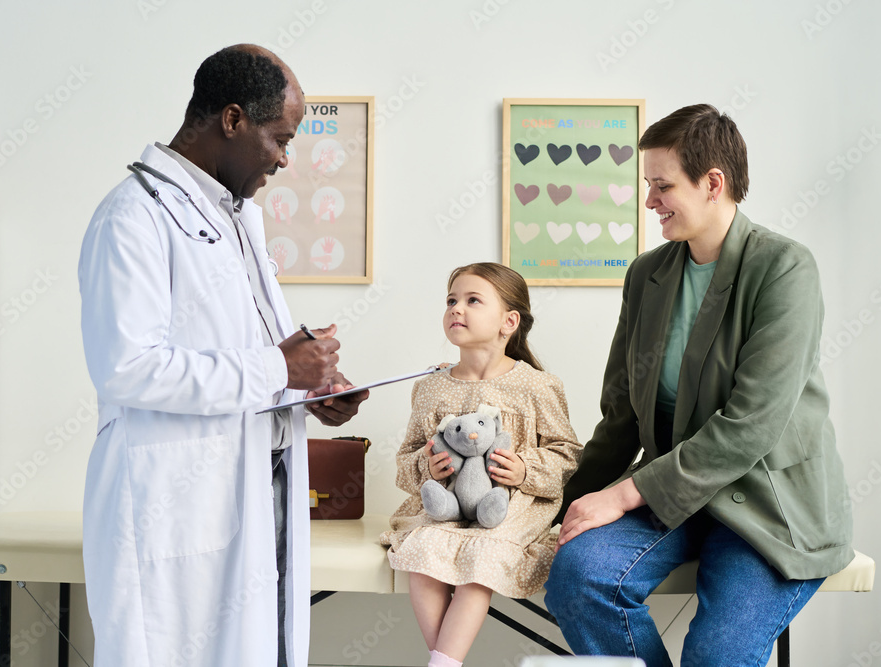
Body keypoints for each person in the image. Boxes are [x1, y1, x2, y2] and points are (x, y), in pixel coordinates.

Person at [78, 45, 368, 667]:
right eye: (280, 138)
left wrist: (311, 386)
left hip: (257, 486)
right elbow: (127, 366)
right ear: (232, 120)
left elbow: (255, 348)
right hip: (175, 506)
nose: (286, 158)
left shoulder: (238, 217)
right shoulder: (133, 216)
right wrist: (279, 370)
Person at [544, 104, 854, 666]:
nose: (648, 202)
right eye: (648, 185)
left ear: (714, 183)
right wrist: (557, 508)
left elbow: (751, 423)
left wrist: (623, 494)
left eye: (662, 186)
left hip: (763, 503)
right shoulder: (646, 275)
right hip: (672, 497)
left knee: (715, 655)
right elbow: (621, 418)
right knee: (577, 578)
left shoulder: (785, 268)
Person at [381, 262, 582, 667]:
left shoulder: (538, 386)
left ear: (509, 321)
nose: (457, 308)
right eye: (452, 300)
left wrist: (525, 469)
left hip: (510, 507)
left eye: (473, 300)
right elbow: (406, 458)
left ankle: (442, 662)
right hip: (446, 508)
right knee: (424, 548)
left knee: (483, 556)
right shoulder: (431, 387)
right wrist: (427, 468)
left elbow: (568, 454)